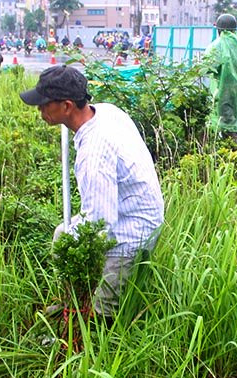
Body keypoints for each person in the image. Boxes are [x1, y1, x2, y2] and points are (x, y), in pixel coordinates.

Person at [19, 65, 164, 319]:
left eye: (44, 104)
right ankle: (72, 301)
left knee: (101, 312)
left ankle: (95, 326)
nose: (39, 110)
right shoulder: (106, 112)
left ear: (66, 106)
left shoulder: (94, 154)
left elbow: (99, 225)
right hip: (129, 211)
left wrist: (72, 255)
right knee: (62, 234)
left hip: (131, 232)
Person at [203, 13, 237, 139]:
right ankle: (232, 152)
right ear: (235, 29)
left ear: (219, 30)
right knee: (230, 125)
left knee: (227, 128)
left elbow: (207, 68)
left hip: (225, 94)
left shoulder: (217, 46)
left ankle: (234, 153)